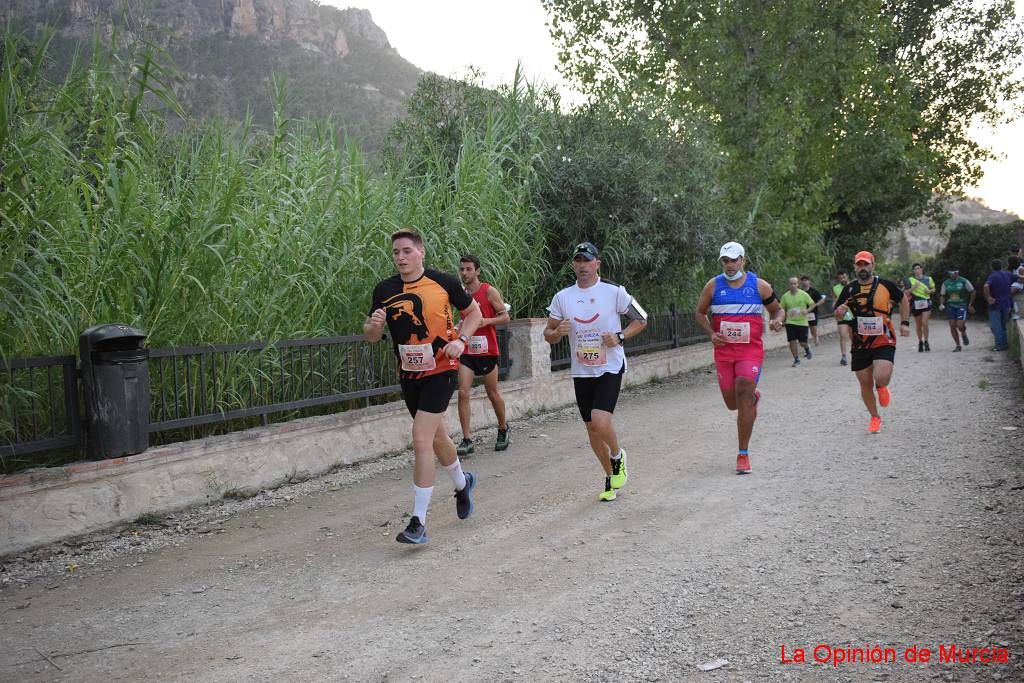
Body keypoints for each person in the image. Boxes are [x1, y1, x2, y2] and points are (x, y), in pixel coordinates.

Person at [364, 229, 482, 545]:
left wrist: (462, 341)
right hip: (409, 374)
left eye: (406, 251)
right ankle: (462, 484)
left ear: (420, 252)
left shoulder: (444, 282)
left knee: (420, 439)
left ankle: (418, 522)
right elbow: (372, 335)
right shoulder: (384, 290)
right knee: (437, 437)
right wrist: (373, 327)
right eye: (395, 253)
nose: (400, 257)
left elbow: (474, 314)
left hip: (442, 369)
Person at [544, 241, 648, 501]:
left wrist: (620, 336)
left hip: (610, 366)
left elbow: (642, 319)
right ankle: (610, 479)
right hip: (582, 371)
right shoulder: (563, 297)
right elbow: (549, 334)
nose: (582, 266)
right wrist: (557, 333)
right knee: (591, 430)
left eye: (587, 260)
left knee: (601, 421)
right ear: (573, 265)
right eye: (578, 261)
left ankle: (617, 455)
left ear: (597, 264)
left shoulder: (614, 292)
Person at [695, 242, 784, 474]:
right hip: (724, 352)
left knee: (743, 390)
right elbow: (700, 313)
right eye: (725, 260)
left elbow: (777, 309)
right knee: (731, 402)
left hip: (750, 351)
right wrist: (712, 333)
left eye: (734, 260)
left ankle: (743, 454)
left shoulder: (759, 286)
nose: (730, 264)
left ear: (743, 260)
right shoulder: (713, 286)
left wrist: (777, 320)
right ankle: (752, 398)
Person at [833, 251, 910, 434]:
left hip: (883, 337)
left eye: (866, 264)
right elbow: (838, 312)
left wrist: (905, 323)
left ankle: (882, 386)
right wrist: (840, 312)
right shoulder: (849, 289)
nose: (863, 268)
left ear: (873, 265)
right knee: (865, 383)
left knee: (881, 376)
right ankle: (875, 417)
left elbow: (904, 300)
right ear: (855, 267)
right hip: (860, 341)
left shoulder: (885, 284)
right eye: (859, 265)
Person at [454, 255, 512, 455]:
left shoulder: (488, 292)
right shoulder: (459, 293)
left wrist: (485, 322)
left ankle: (503, 428)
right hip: (467, 350)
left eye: (469, 269)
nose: (464, 273)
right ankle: (467, 439)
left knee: (492, 393)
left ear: (477, 271)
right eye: (462, 269)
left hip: (487, 351)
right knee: (463, 393)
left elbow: (505, 317)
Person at [938, 267, 975, 352]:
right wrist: (941, 304)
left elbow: (973, 291)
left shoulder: (964, 281)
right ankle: (958, 345)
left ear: (958, 273)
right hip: (951, 305)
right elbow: (942, 295)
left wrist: (970, 304)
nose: (954, 275)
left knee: (960, 325)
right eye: (952, 273)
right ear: (949, 274)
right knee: (952, 325)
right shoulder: (946, 283)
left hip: (962, 305)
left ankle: (963, 333)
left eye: (956, 273)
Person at [903, 263, 936, 352]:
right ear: (913, 271)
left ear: (921, 269)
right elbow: (906, 293)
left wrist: (929, 291)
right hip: (915, 304)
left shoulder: (928, 279)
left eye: (918, 268)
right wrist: (913, 288)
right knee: (918, 325)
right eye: (915, 269)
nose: (917, 270)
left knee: (925, 323)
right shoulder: (910, 280)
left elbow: (933, 289)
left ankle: (926, 341)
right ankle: (920, 342)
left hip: (926, 302)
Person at [984, 258, 1014, 351]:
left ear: (992, 267)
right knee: (1003, 326)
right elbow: (1020, 278)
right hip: (1007, 304)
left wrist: (989, 297)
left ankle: (999, 346)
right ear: (1002, 266)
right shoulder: (1008, 274)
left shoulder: (993, 276)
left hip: (995, 304)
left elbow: (986, 286)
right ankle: (1004, 344)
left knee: (995, 327)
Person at [832, 269, 853, 366]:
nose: (842, 279)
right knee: (842, 334)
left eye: (844, 277)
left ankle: (855, 353)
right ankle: (844, 356)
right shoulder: (835, 288)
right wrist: (835, 309)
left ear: (847, 276)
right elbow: (835, 300)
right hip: (842, 315)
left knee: (853, 336)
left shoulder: (854, 285)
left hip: (853, 314)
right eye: (840, 278)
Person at [799, 275, 827, 346]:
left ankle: (815, 337)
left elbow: (821, 300)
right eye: (803, 280)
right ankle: (806, 342)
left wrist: (816, 305)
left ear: (809, 282)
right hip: (803, 312)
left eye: (806, 280)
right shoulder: (800, 292)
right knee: (804, 328)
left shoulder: (814, 291)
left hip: (812, 313)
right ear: (801, 282)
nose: (805, 282)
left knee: (813, 327)